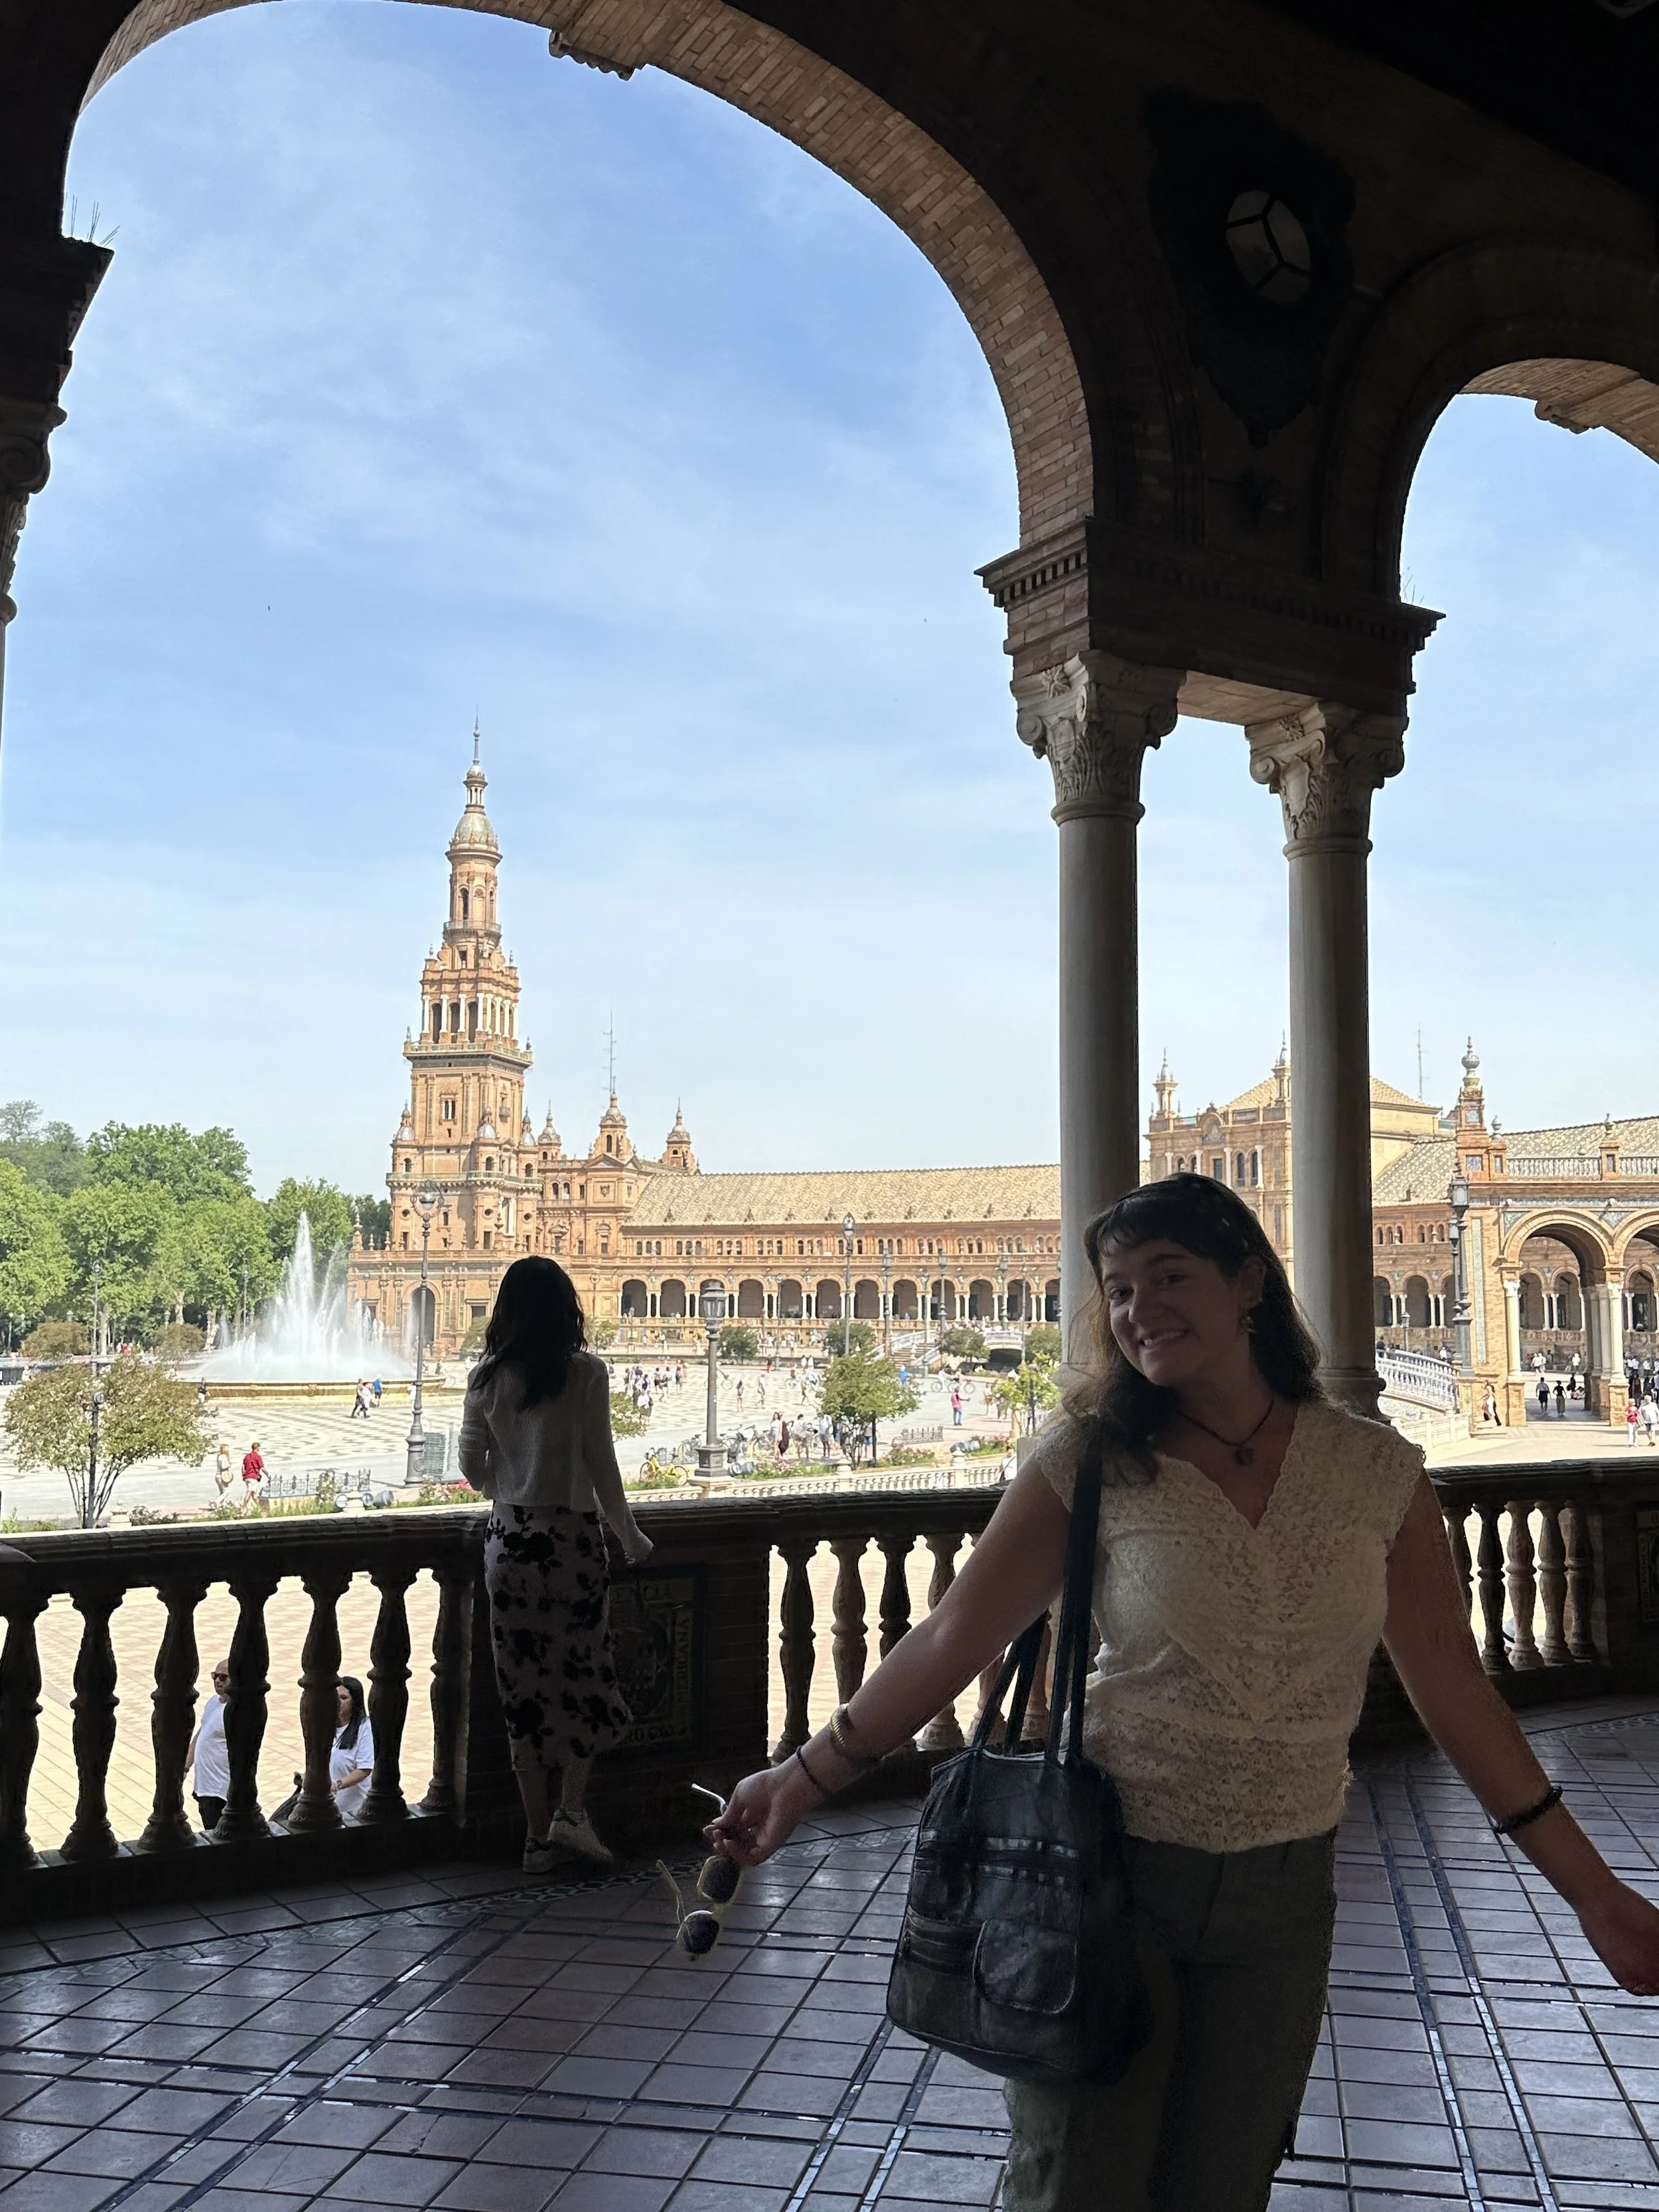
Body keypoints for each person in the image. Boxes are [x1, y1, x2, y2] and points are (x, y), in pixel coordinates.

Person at [704, 1173, 1659, 2212]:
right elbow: (949, 1634)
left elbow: (1458, 1694)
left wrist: (1596, 1898)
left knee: (1224, 2184)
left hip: (1286, 1895)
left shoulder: (1376, 1471)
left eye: (1168, 1276)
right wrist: (801, 1778)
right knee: (1078, 2181)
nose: (1138, 1310)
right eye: (1117, 1290)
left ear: (1249, 1280)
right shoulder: (1090, 1462)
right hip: (1107, 1877)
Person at [459, 1256, 653, 1874]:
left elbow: (471, 1466)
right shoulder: (587, 1374)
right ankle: (573, 1812)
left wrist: (509, 1485)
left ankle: (536, 1836)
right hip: (571, 1543)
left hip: (510, 1543)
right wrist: (630, 1536)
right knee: (584, 1678)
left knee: (523, 1690)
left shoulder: (486, 1378)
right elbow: (604, 1466)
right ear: (566, 1308)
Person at [187, 1658, 231, 1831]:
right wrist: (185, 1767)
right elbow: (201, 1734)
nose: (218, 1681)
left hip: (222, 1792)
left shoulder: (236, 1711)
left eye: (224, 1677)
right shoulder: (214, 1702)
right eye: (215, 1676)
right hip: (205, 1788)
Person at [331, 1676, 375, 1818]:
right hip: (331, 1808)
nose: (338, 1703)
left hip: (355, 1813)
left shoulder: (364, 1728)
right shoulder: (327, 1727)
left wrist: (338, 1785)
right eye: (336, 1698)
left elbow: (365, 1769)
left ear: (355, 1702)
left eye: (344, 1698)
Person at [240, 1441, 264, 1512]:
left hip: (247, 1477)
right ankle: (243, 1507)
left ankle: (260, 1508)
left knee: (254, 1494)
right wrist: (267, 1474)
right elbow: (262, 1467)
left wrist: (243, 1475)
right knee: (249, 1492)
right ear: (258, 1448)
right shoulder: (258, 1456)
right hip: (253, 1477)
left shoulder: (247, 1456)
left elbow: (243, 1466)